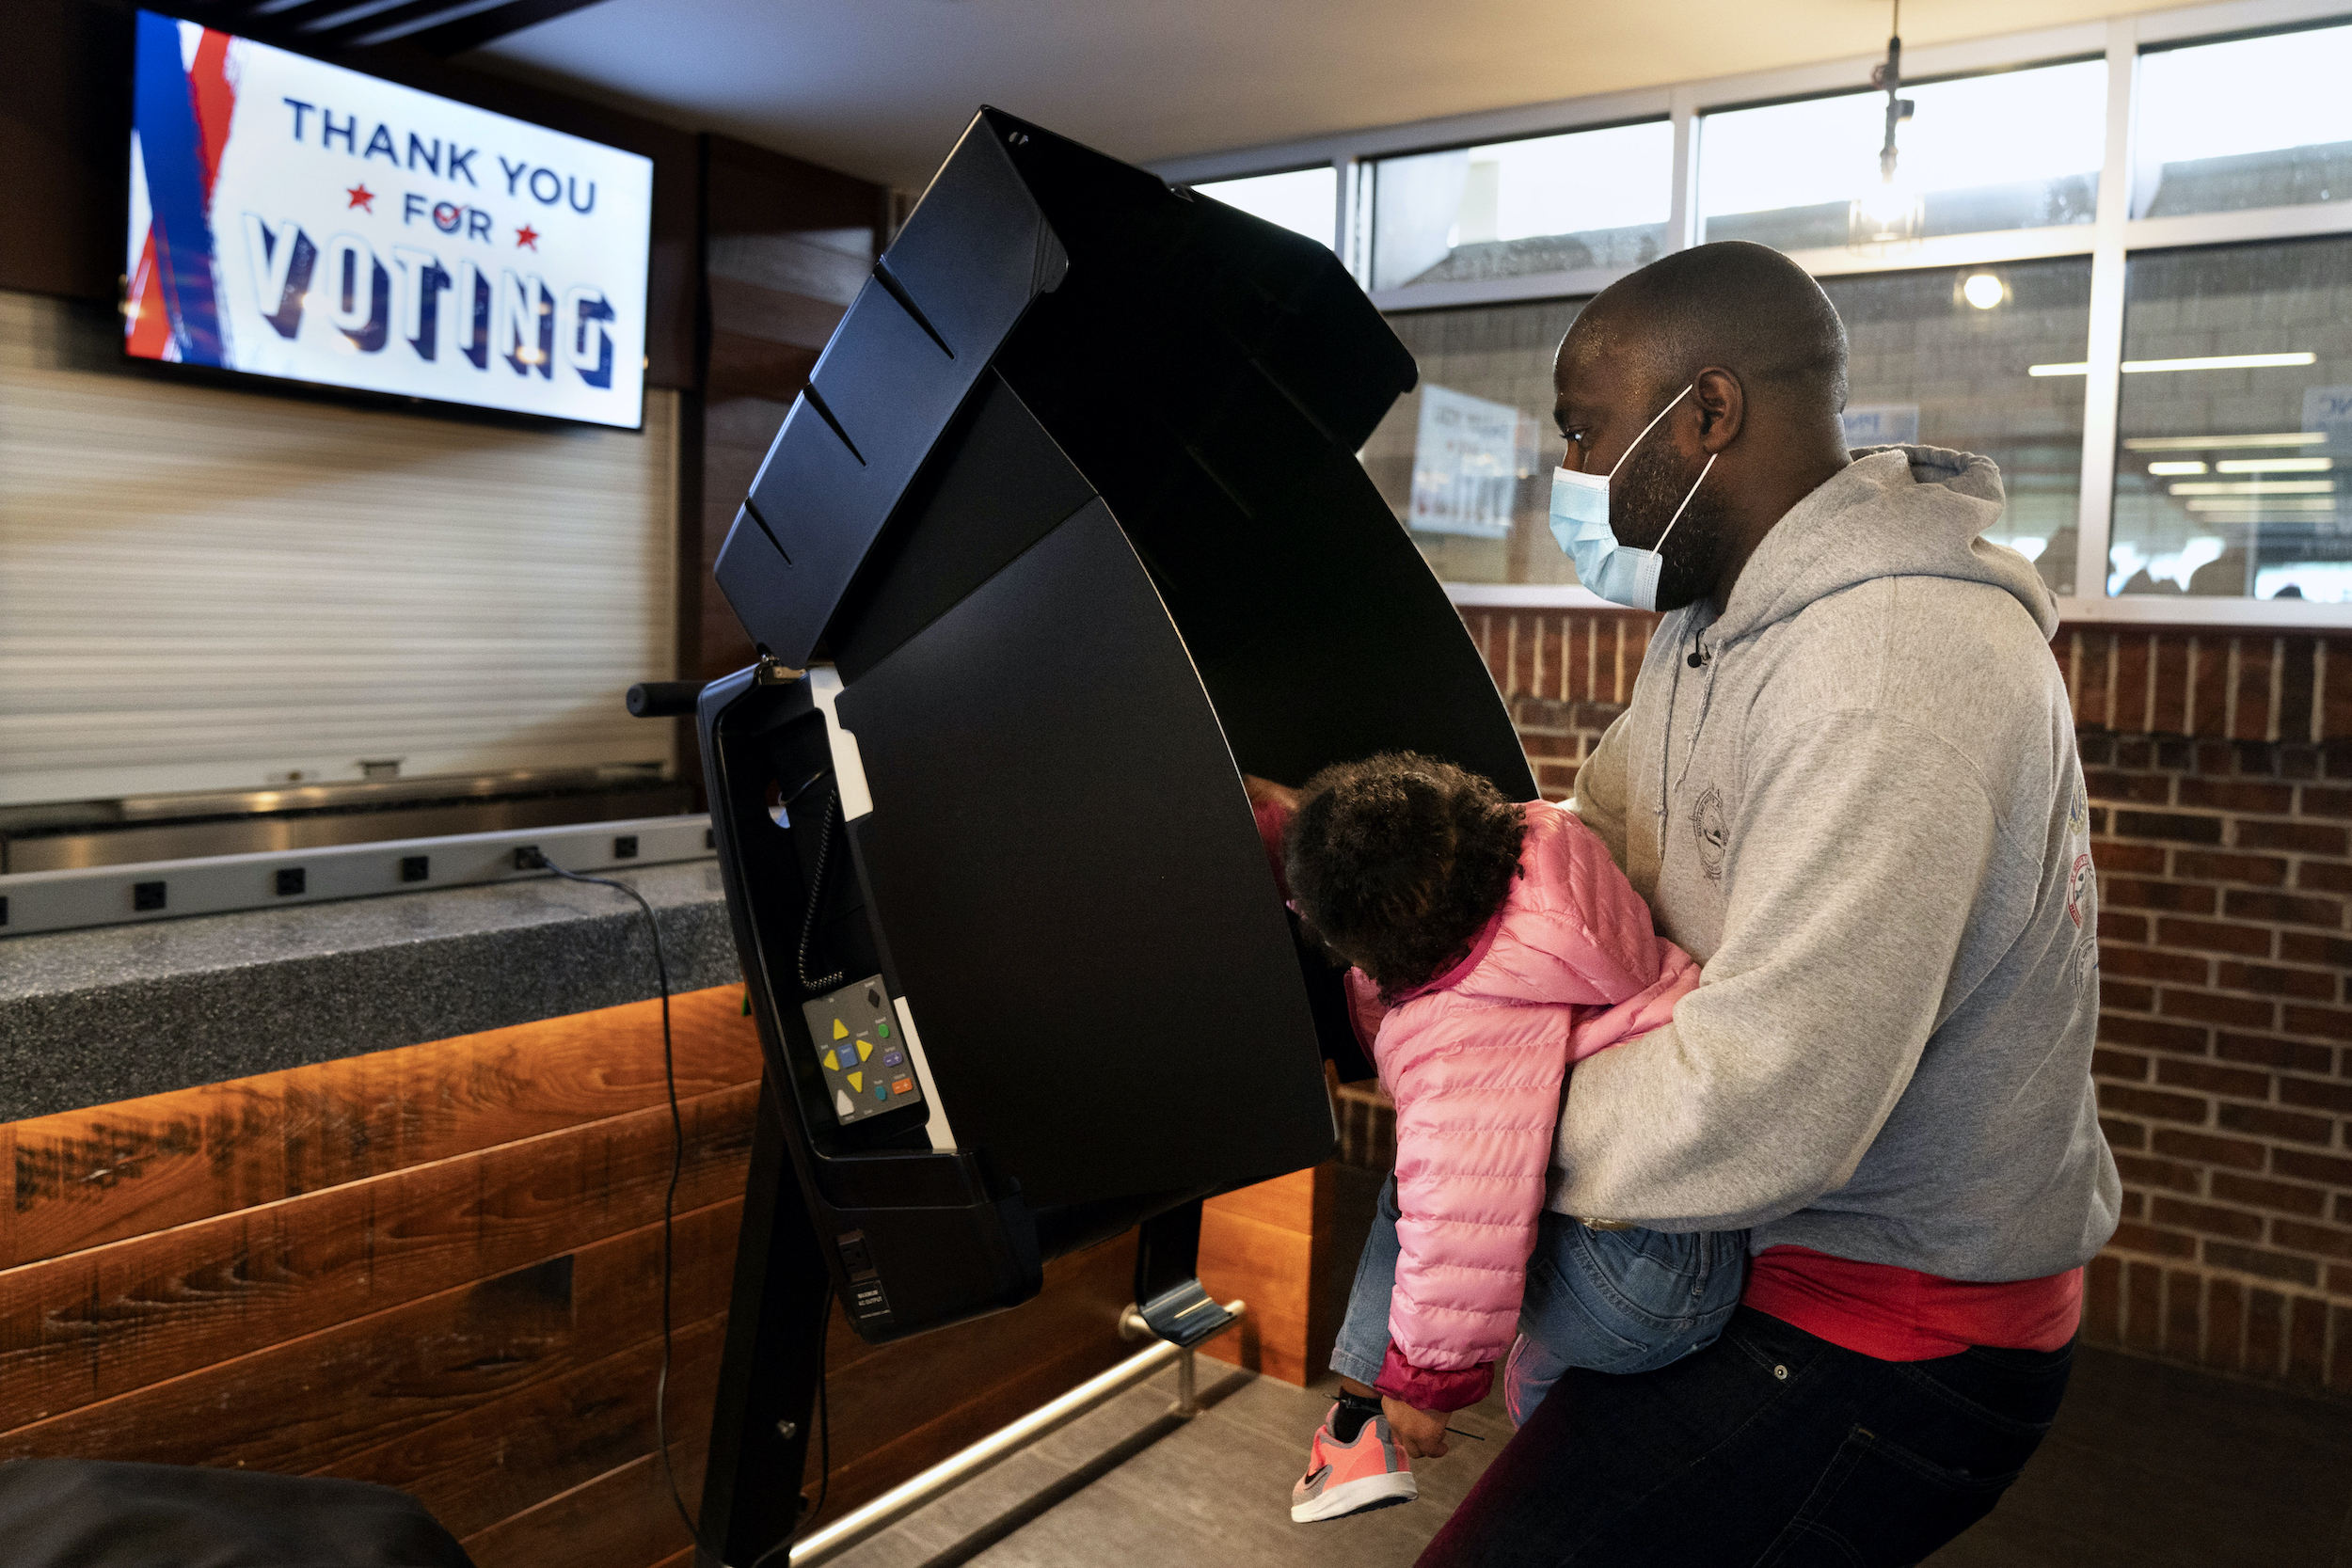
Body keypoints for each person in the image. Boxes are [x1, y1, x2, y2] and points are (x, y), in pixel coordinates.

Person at [1415, 241, 2121, 1566]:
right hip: (1759, 1251)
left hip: (1895, 1321)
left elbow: (1773, 1097)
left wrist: (1477, 1110)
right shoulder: (1711, 622)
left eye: (1584, 429)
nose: (1568, 475)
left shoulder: (1894, 666)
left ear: (1708, 412)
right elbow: (1603, 847)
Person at [1241, 755, 1742, 1525]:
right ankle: (1363, 1405)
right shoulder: (1541, 842)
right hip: (1686, 1208)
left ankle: (1367, 1426)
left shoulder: (1462, 1041)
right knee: (1438, 1190)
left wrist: (1427, 1389)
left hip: (1656, 1282)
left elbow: (1456, 1237)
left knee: (1421, 1201)